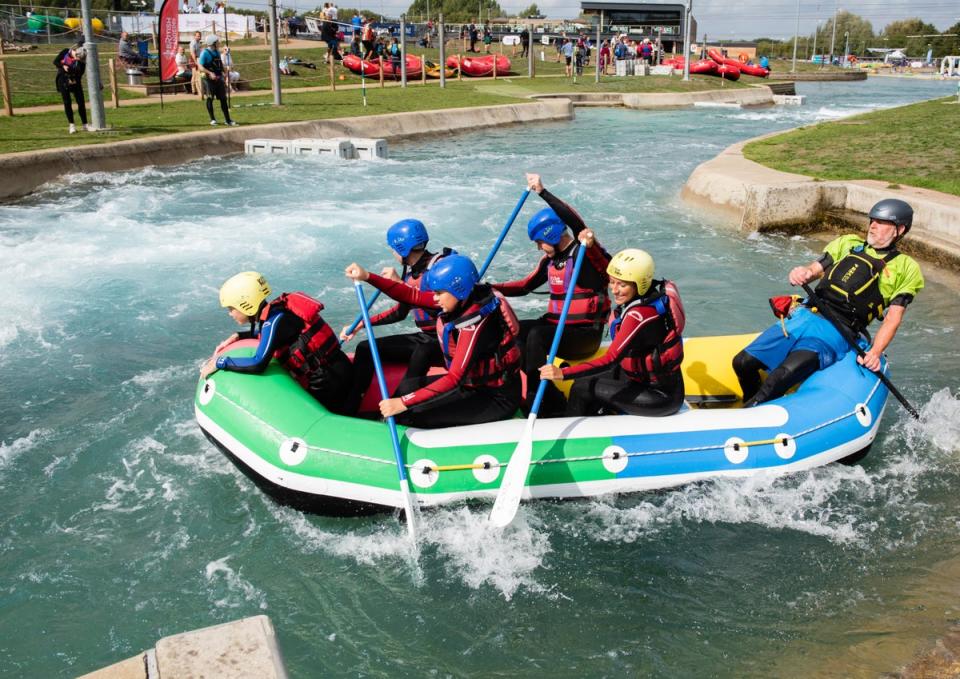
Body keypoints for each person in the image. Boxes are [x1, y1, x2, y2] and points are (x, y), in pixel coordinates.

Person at [733, 198, 924, 406]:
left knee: (781, 376)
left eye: (881, 222)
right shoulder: (848, 243)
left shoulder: (906, 268)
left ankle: (750, 413)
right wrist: (802, 273)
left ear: (900, 229)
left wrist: (875, 352)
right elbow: (814, 269)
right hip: (805, 315)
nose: (873, 226)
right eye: (872, 220)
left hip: (839, 329)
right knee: (742, 363)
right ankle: (753, 402)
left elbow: (893, 318)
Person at [344, 255, 522, 428]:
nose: (434, 298)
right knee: (407, 386)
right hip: (472, 385)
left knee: (411, 413)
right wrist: (367, 276)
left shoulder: (475, 325)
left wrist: (402, 403)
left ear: (458, 289)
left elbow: (454, 379)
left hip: (495, 398)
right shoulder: (462, 298)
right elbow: (412, 296)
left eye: (438, 293)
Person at [492, 173, 612, 415]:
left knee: (536, 334)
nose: (538, 247)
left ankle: (537, 396)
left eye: (539, 241)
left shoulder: (585, 254)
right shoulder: (550, 261)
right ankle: (528, 387)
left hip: (584, 336)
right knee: (512, 330)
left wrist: (542, 192)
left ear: (551, 235)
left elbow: (577, 223)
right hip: (557, 328)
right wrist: (490, 287)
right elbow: (524, 286)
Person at [540, 249, 686, 417]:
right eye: (612, 282)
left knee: (582, 388)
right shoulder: (649, 297)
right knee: (583, 381)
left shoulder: (639, 315)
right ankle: (592, 417)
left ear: (640, 284)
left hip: (660, 396)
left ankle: (573, 435)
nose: (614, 290)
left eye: (622, 285)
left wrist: (562, 373)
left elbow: (611, 360)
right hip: (640, 379)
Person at [341, 219, 454, 415]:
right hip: (428, 337)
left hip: (448, 339)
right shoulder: (411, 275)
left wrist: (399, 285)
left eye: (393, 249)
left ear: (402, 248)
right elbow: (401, 312)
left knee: (423, 352)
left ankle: (402, 410)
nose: (393, 254)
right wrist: (363, 324)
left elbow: (436, 305)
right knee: (365, 348)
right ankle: (351, 405)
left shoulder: (440, 267)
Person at [199, 272, 355, 414]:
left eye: (231, 308)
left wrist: (219, 363)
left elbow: (258, 363)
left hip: (329, 381)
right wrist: (239, 336)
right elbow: (274, 334)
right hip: (337, 368)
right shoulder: (278, 313)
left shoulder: (273, 321)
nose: (230, 313)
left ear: (244, 304)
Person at [197, 34, 237, 126]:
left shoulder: (217, 52)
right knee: (210, 98)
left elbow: (220, 64)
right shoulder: (205, 53)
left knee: (223, 99)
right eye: (217, 42)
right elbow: (200, 67)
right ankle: (213, 119)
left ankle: (228, 120)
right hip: (208, 79)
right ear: (213, 43)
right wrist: (210, 73)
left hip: (219, 79)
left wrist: (224, 71)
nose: (219, 43)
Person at [54, 44, 87, 134]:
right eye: (79, 59)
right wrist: (63, 66)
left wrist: (74, 79)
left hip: (75, 81)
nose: (80, 61)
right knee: (67, 102)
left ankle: (85, 124)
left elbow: (80, 73)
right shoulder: (65, 52)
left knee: (81, 102)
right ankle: (72, 125)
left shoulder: (81, 62)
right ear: (76, 54)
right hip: (63, 80)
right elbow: (55, 62)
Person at [189, 31, 203, 97]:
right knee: (195, 75)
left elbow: (199, 51)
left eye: (199, 36)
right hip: (193, 59)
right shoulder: (193, 43)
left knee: (196, 75)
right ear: (195, 36)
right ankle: (194, 90)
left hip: (197, 58)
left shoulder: (198, 43)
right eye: (197, 36)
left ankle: (195, 90)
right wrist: (195, 62)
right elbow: (192, 53)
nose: (199, 37)